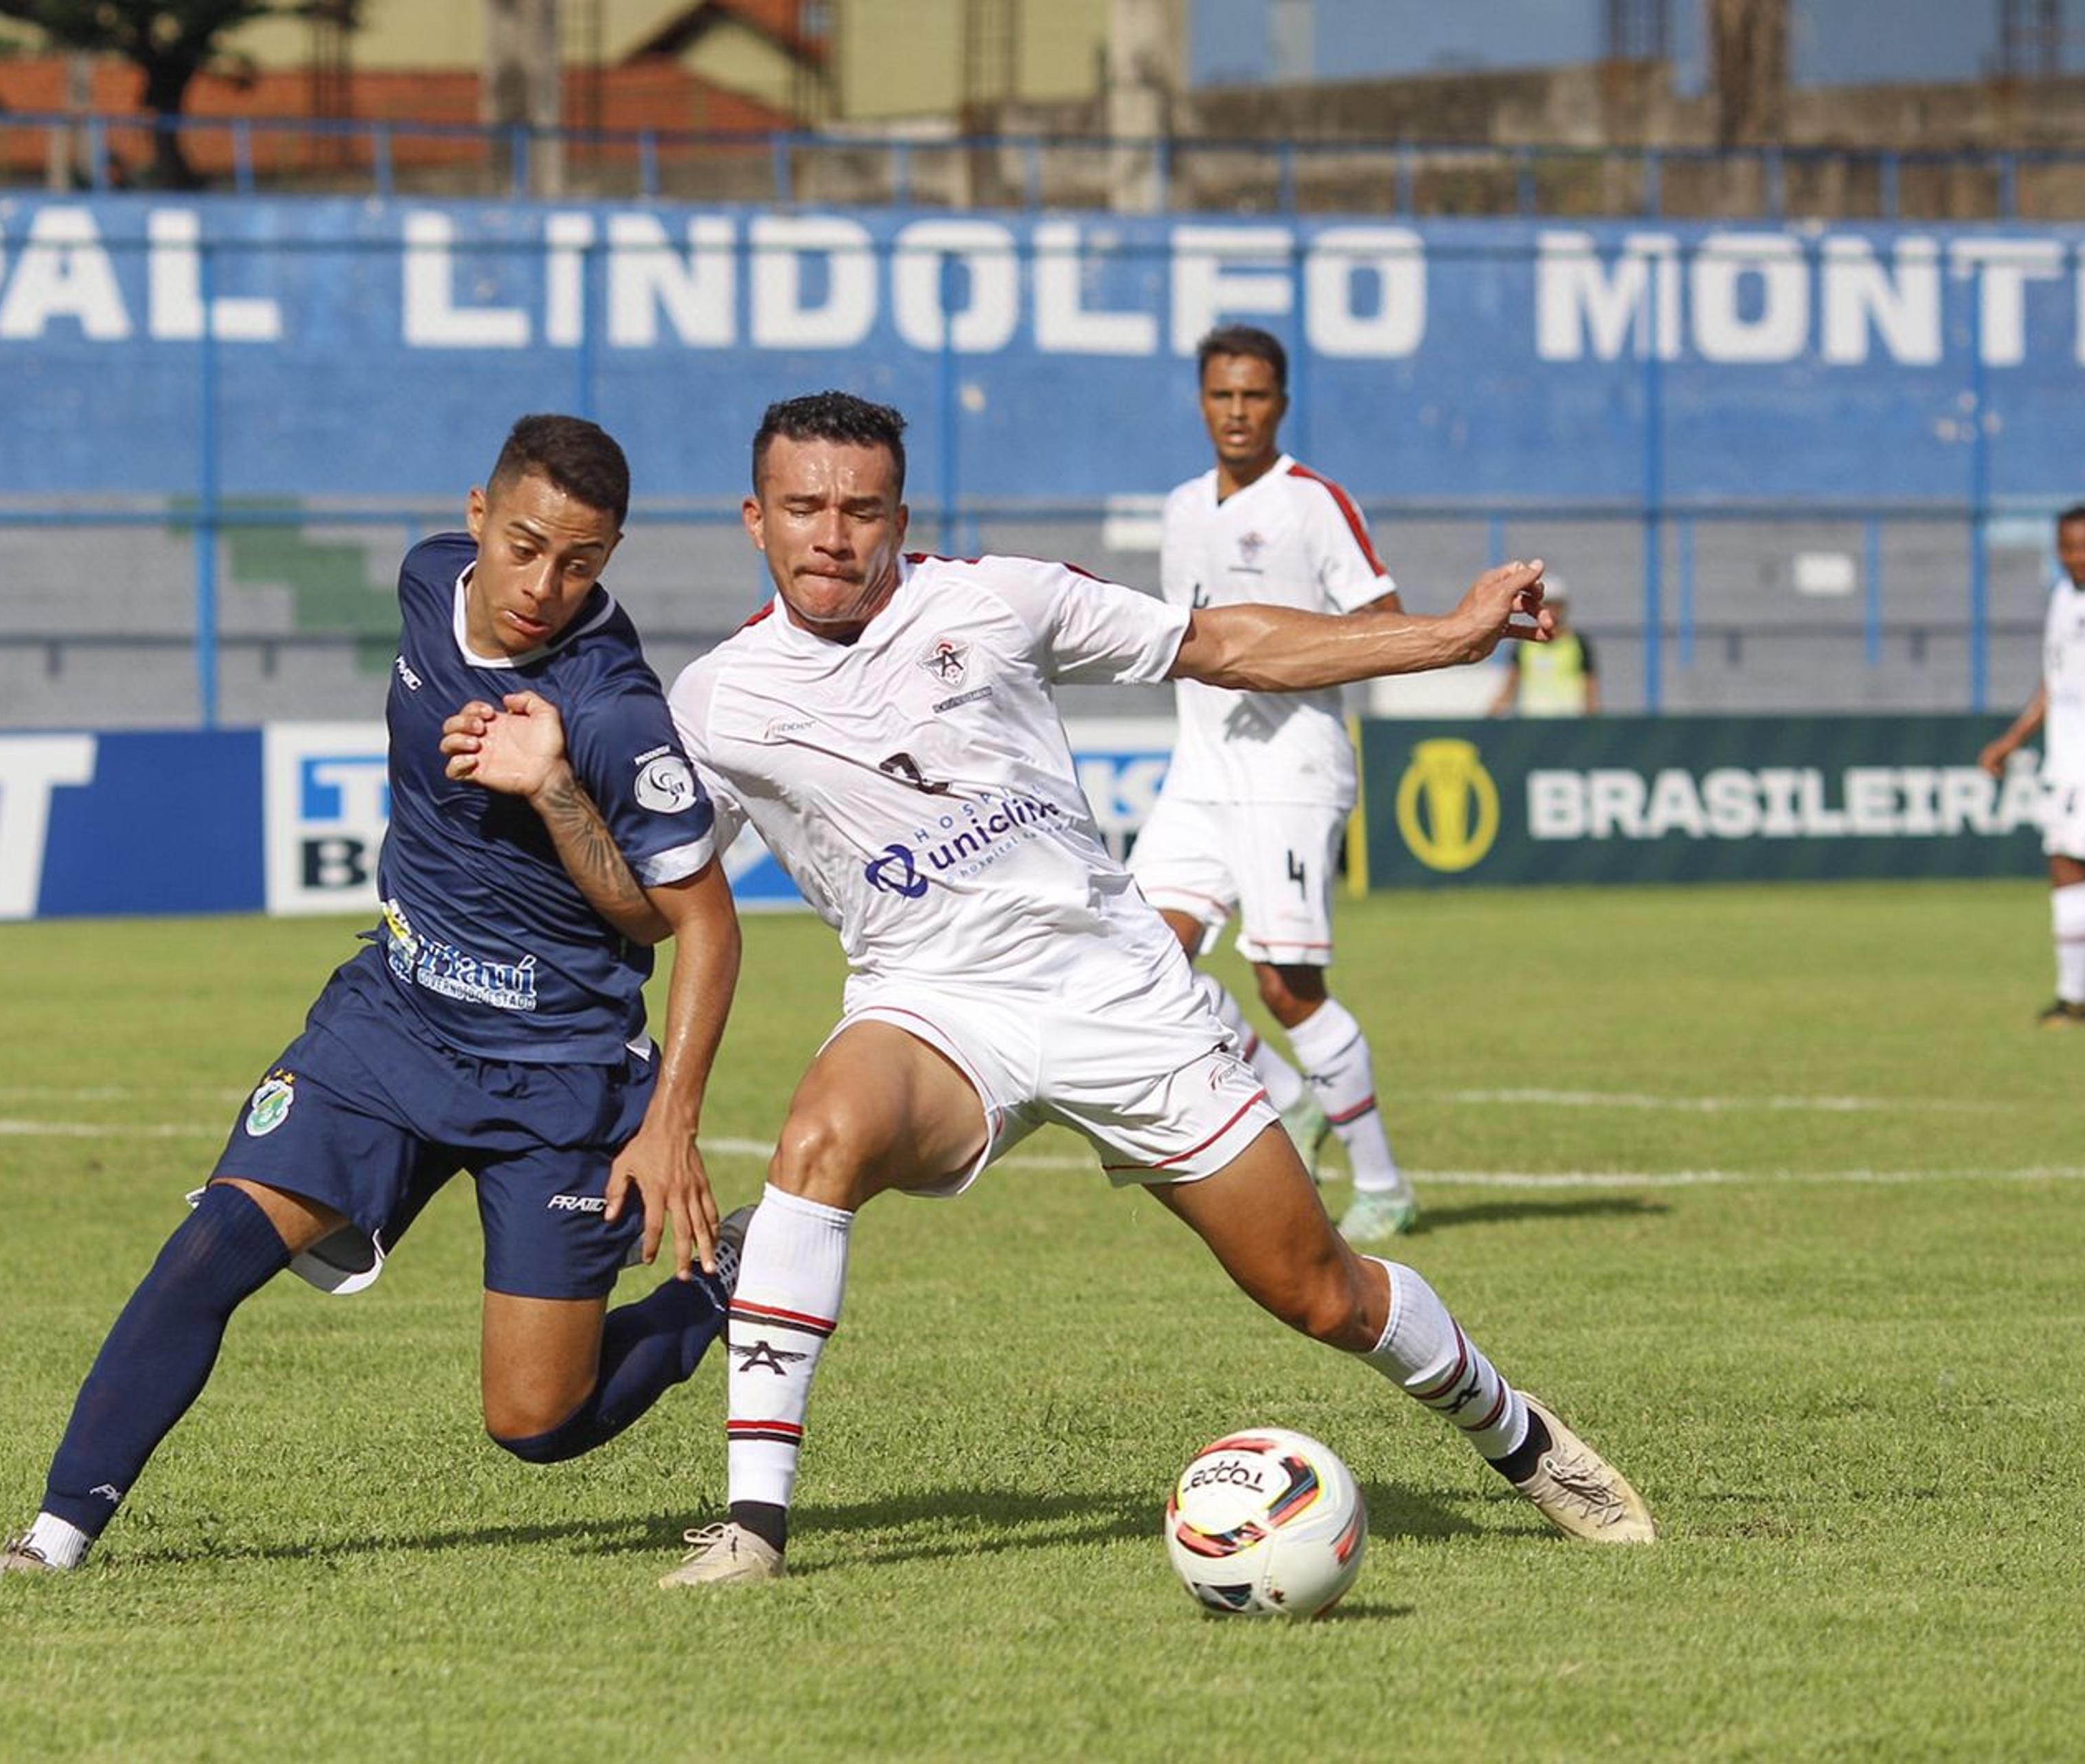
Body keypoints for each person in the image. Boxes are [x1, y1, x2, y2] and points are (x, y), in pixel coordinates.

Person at [447, 391, 1657, 1590]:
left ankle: (1522, 1438)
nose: (833, 533)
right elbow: (650, 893)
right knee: (821, 1136)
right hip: (931, 1005)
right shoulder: (715, 699)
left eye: (861, 509)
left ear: (899, 515)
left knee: (1319, 1289)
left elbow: (1224, 644)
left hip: (1119, 999)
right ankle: (754, 1528)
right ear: (753, 518)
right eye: (806, 507)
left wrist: (1445, 635)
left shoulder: (997, 597)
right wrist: (555, 792)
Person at [0, 415, 745, 1577]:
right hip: (393, 1019)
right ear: (478, 517)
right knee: (210, 1245)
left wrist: (557, 791)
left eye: (582, 560)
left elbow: (689, 924)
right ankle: (50, 1541)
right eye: (525, 546)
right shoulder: (428, 582)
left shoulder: (613, 707)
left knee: (536, 1420)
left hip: (556, 1073)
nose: (546, 584)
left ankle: (722, 1284)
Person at [1127, 324, 1416, 1245]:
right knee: (1141, 961)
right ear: (1202, 401)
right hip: (1201, 768)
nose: (1238, 412)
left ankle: (1384, 1183)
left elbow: (1387, 625)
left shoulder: (1313, 504)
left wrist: (1287, 661)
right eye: (1223, 395)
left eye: (1255, 396)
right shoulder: (1179, 507)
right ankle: (1287, 1097)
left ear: (1281, 404)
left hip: (1291, 766)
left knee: (1287, 986)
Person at [1977, 504, 2085, 1028]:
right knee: (2077, 872)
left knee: (2066, 863)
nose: (2080, 556)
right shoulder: (2061, 597)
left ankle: (2072, 1002)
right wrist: (2012, 740)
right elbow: (2056, 683)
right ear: (2058, 550)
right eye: (2070, 547)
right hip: (2067, 754)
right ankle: (2071, 999)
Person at [1487, 574, 1599, 717]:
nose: (1552, 611)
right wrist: (1491, 715)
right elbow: (1511, 684)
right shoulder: (1524, 645)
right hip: (1532, 724)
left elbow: (1590, 687)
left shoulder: (1579, 644)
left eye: (1556, 605)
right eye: (1547, 605)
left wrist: (1593, 721)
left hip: (1569, 723)